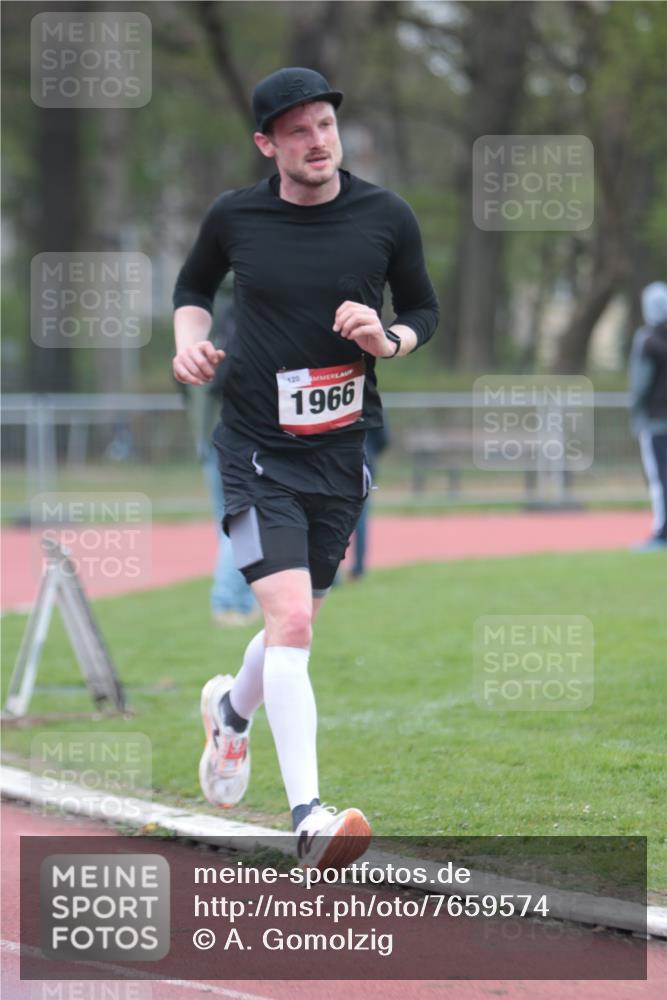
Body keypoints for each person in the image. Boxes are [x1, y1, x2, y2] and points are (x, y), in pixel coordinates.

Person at [172, 66, 439, 868]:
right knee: (290, 620)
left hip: (341, 451)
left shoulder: (384, 216)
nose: (317, 142)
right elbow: (193, 286)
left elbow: (422, 309)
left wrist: (386, 339)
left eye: (324, 125)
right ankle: (310, 816)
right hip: (253, 450)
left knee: (295, 620)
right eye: (297, 131)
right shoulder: (235, 216)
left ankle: (229, 713)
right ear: (268, 144)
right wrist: (188, 340)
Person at [183, 298, 259, 624]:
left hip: (213, 442)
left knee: (234, 523)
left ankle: (239, 600)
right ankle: (227, 602)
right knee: (242, 523)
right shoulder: (226, 352)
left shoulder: (202, 347)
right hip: (231, 444)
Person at [629, 280, 667, 551]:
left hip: (655, 421)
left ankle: (662, 532)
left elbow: (640, 383)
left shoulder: (647, 339)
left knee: (659, 478)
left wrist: (636, 414)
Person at [349, 423, 390, 580]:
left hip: (337, 464)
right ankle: (358, 570)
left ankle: (332, 575)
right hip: (363, 463)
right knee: (360, 520)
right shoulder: (368, 400)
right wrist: (371, 451)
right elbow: (384, 437)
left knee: (330, 517)